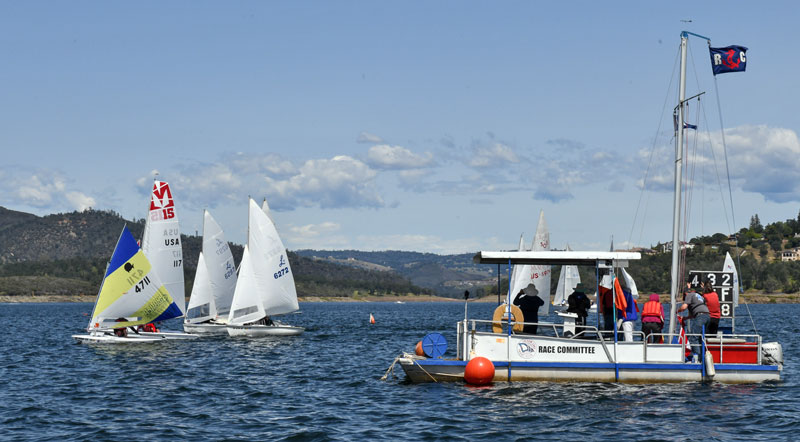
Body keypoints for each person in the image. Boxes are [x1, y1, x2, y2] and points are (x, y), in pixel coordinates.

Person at [677, 286, 710, 362]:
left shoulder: (689, 295)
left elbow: (684, 307)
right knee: (700, 338)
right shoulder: (698, 296)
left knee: (693, 337)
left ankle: (697, 358)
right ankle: (702, 357)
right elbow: (693, 315)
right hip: (707, 316)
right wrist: (685, 318)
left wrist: (676, 311)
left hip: (701, 316)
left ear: (685, 293)